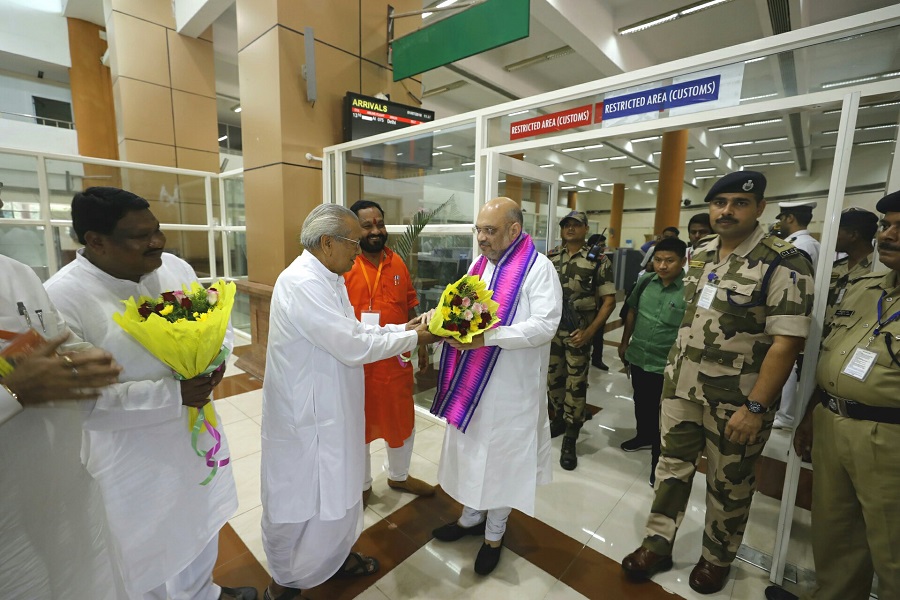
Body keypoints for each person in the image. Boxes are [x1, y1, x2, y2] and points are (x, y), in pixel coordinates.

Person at [44, 187, 254, 600]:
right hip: (130, 455)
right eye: (140, 236)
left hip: (192, 431)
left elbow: (217, 322)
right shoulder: (60, 299)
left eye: (157, 230)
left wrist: (215, 359)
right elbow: (82, 402)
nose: (156, 242)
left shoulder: (172, 268)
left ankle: (202, 594)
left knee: (200, 518)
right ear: (95, 241)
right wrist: (173, 395)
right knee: (142, 548)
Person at [621, 171, 814, 594]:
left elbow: (788, 342)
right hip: (682, 388)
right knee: (671, 468)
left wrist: (758, 407)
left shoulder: (784, 261)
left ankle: (717, 557)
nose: (726, 211)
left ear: (760, 208)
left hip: (737, 401)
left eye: (739, 203)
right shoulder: (701, 251)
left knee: (729, 482)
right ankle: (657, 542)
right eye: (719, 202)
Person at [260, 204, 436, 600]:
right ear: (327, 243)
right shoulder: (303, 282)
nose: (359, 251)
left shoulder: (329, 275)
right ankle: (287, 581)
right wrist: (416, 338)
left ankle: (332, 560)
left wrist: (400, 328)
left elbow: (354, 328)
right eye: (353, 242)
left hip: (333, 408)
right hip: (307, 417)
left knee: (336, 493)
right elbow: (352, 344)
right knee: (302, 500)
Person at [765, 192, 900, 600]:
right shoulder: (865, 288)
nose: (888, 236)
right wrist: (810, 415)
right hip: (832, 422)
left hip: (888, 439)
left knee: (892, 550)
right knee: (836, 533)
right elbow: (831, 360)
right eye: (886, 226)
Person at [430, 197, 561, 576]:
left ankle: (494, 534)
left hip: (511, 387)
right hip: (474, 383)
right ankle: (471, 517)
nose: (481, 238)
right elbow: (464, 309)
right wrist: (442, 321)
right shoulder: (479, 265)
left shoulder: (538, 269)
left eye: (490, 230)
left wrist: (489, 338)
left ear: (514, 230)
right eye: (479, 230)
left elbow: (544, 326)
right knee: (473, 452)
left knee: (502, 458)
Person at [0, 253, 125, 600]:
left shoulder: (18, 271)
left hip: (66, 479)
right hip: (7, 511)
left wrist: (86, 356)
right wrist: (12, 392)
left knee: (91, 580)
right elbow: (18, 382)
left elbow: (55, 337)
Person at [344, 200, 434, 503]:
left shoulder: (397, 262)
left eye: (379, 223)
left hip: (396, 358)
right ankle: (362, 485)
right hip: (358, 362)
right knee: (359, 423)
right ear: (355, 229)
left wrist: (421, 345)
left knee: (401, 420)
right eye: (367, 225)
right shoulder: (344, 265)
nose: (375, 230)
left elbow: (410, 302)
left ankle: (399, 476)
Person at [546, 210, 615, 470]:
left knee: (576, 385)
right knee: (553, 380)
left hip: (578, 334)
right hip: (552, 333)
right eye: (567, 225)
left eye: (576, 225)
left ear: (586, 229)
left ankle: (571, 435)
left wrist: (590, 333)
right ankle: (559, 420)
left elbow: (609, 301)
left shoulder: (598, 260)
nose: (571, 228)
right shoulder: (551, 257)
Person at [617, 237, 688, 486]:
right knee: (642, 402)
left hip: (667, 364)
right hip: (639, 356)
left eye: (669, 261)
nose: (662, 265)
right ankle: (642, 436)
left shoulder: (690, 289)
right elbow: (632, 310)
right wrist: (625, 342)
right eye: (658, 259)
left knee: (663, 414)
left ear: (683, 261)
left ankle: (658, 461)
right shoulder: (646, 281)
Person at [827, 207, 878, 317]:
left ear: (853, 235)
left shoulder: (878, 268)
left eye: (837, 232)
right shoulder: (836, 267)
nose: (832, 237)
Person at [775, 200, 820, 266]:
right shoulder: (816, 244)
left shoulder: (792, 247)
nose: (780, 223)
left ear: (790, 218)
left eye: (781, 219)